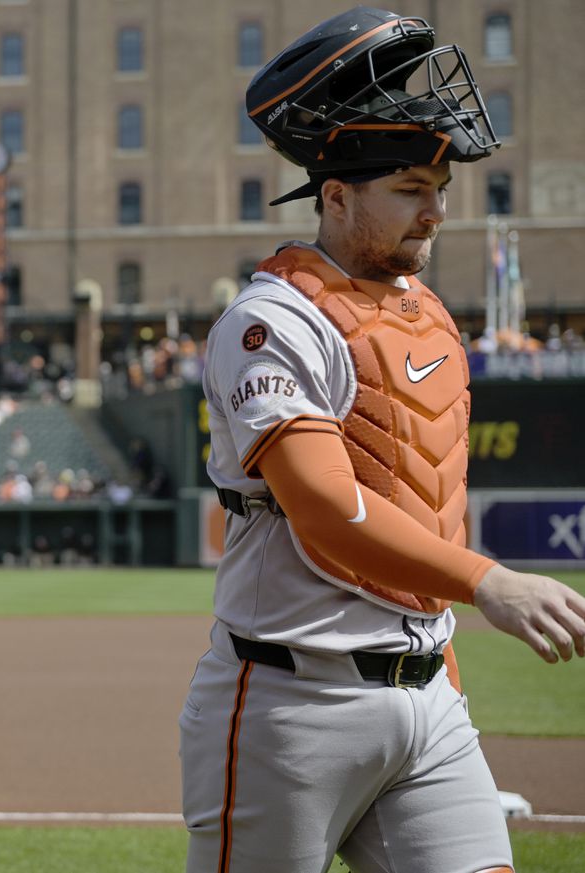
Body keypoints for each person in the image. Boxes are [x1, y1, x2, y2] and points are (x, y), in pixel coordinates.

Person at [178, 9, 585, 873]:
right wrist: (492, 584)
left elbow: (427, 507)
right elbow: (327, 509)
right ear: (335, 195)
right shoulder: (270, 322)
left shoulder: (424, 316)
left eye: (440, 189)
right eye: (409, 188)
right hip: (293, 701)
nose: (435, 212)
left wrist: (445, 655)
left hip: (428, 698)